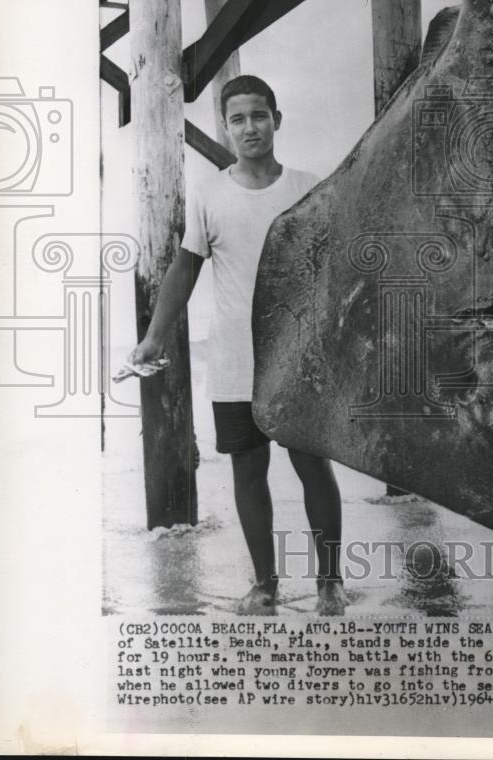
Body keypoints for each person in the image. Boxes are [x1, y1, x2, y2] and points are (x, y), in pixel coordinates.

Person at [129, 74, 347, 616]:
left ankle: (330, 584)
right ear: (225, 129)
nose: (250, 127)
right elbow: (184, 270)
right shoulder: (211, 195)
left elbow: (339, 274)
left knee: (312, 465)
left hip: (299, 359)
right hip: (233, 361)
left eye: (259, 115)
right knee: (248, 471)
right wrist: (153, 337)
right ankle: (265, 585)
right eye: (238, 119)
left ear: (277, 119)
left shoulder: (308, 186)